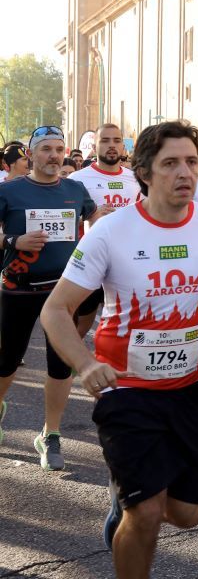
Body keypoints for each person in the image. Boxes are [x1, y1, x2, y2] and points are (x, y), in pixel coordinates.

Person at [39, 121, 198, 579]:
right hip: (125, 389)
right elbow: (56, 310)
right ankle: (134, 507)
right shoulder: (111, 232)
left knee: (188, 514)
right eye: (171, 163)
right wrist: (86, 364)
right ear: (145, 172)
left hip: (191, 388)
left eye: (191, 161)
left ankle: (127, 501)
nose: (185, 172)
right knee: (147, 513)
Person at [0, 125, 98, 470]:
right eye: (46, 150)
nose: (54, 156)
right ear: (31, 155)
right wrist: (14, 242)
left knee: (61, 365)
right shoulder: (8, 191)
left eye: (59, 149)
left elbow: (96, 220)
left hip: (61, 291)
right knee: (7, 361)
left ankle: (50, 433)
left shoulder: (75, 188)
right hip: (17, 289)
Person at [69, 123, 141, 352]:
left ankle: (123, 371)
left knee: (127, 322)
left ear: (123, 145)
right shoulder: (77, 178)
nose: (112, 146)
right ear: (95, 145)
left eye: (117, 140)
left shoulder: (136, 178)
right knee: (81, 325)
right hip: (90, 260)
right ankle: (67, 365)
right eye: (105, 140)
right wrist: (91, 216)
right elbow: (65, 222)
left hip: (129, 261)